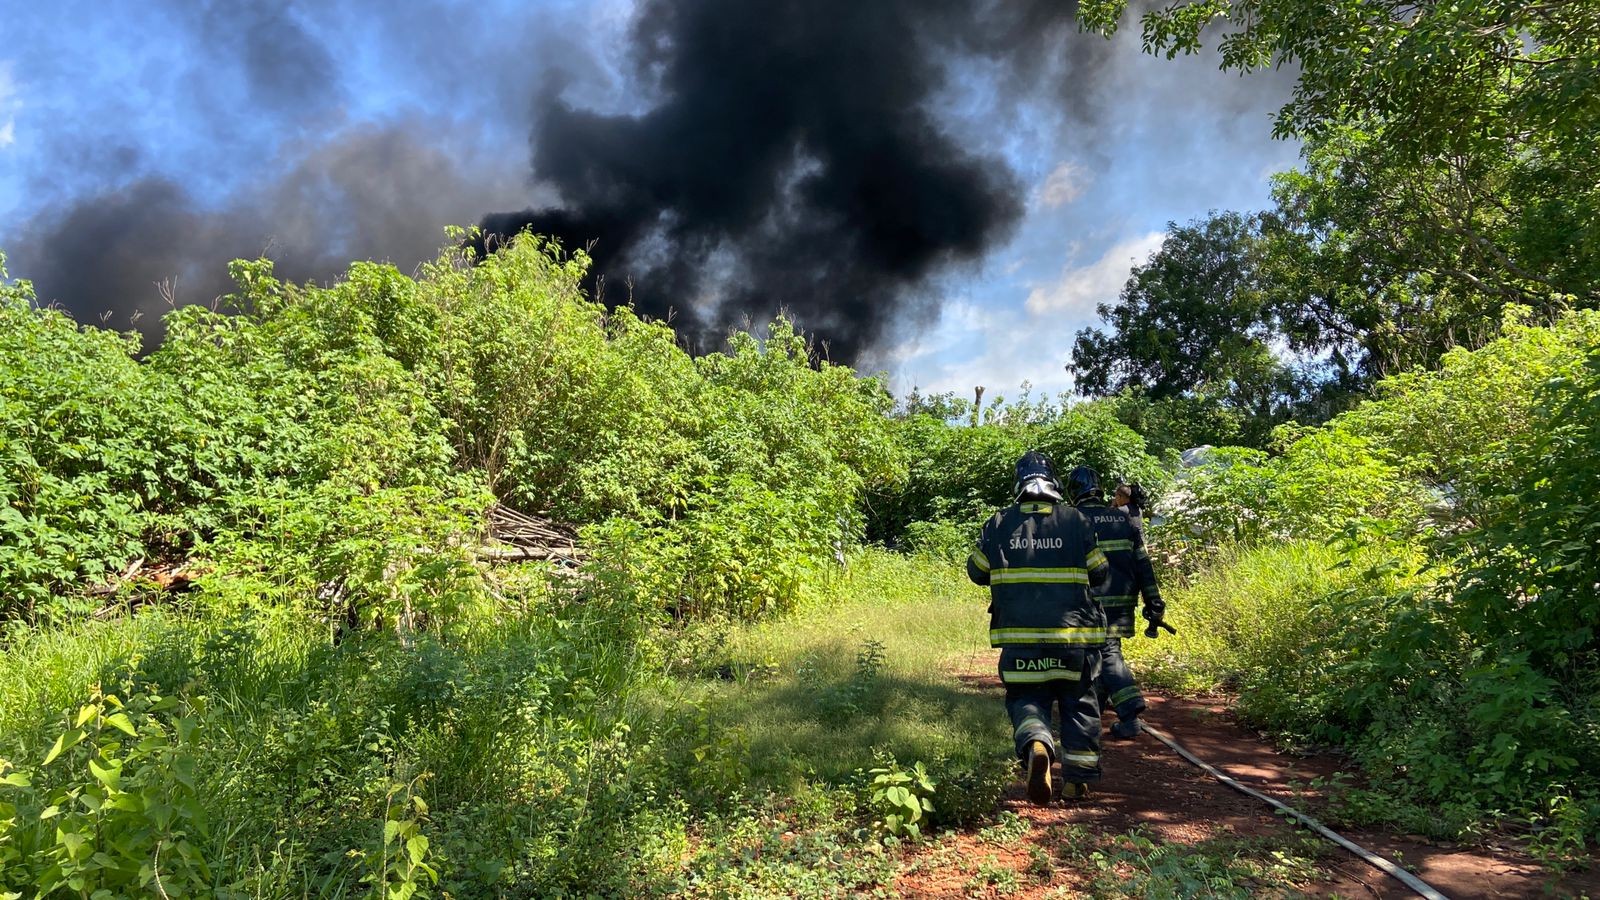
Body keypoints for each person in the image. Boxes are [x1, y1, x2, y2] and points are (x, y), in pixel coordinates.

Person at [968, 451, 1111, 804]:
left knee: (1027, 699)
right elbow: (1100, 572)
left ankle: (1036, 743)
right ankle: (1076, 782)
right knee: (1079, 703)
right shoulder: (1076, 521)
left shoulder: (998, 523)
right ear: (1054, 481)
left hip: (1020, 639)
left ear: (1018, 483)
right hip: (1074, 637)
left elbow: (976, 572)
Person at [1069, 466, 1166, 740]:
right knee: (1104, 653)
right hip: (1122, 602)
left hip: (1088, 604)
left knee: (1106, 653)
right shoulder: (1124, 520)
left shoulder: (1070, 521)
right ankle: (1095, 714)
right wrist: (1154, 600)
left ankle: (1129, 710)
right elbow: (1143, 564)